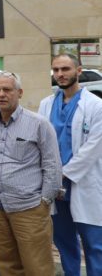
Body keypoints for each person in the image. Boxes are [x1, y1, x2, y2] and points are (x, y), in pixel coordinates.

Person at [0, 72, 62, 276]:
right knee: (6, 264)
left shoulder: (39, 123)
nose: (1, 94)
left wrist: (44, 201)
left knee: (37, 265)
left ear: (20, 92)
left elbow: (52, 165)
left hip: (30, 207)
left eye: (7, 89)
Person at [39, 54, 102, 276]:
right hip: (55, 187)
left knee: (94, 245)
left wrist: (62, 173)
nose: (60, 74)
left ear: (79, 70)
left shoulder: (96, 105)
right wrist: (51, 176)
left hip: (84, 183)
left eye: (65, 69)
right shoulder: (46, 104)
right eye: (56, 70)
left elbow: (93, 148)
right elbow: (41, 142)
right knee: (64, 243)